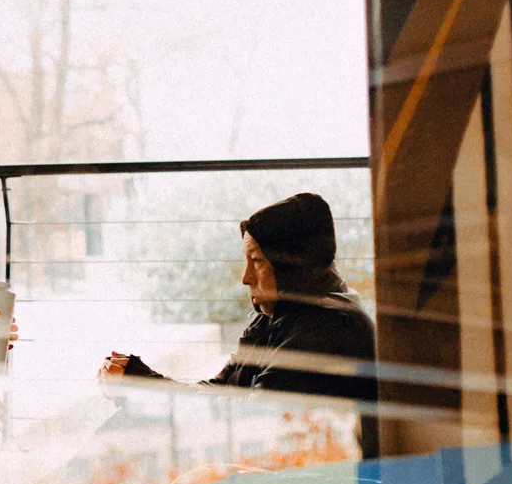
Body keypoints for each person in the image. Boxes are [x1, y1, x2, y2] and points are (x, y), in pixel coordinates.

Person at [105, 191, 381, 458]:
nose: (246, 277)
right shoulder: (278, 318)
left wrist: (147, 382)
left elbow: (246, 423)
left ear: (292, 267)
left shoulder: (325, 330)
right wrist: (146, 379)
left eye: (257, 261)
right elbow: (224, 394)